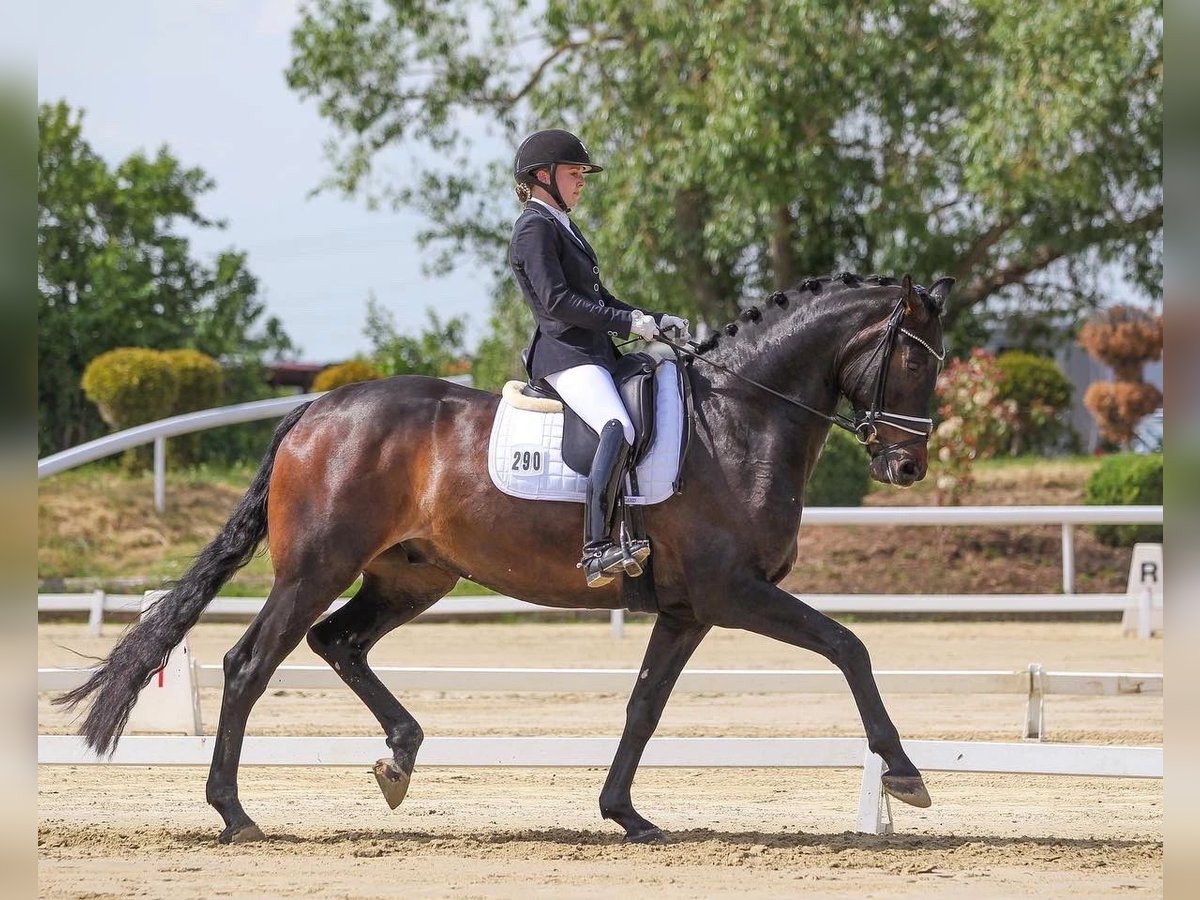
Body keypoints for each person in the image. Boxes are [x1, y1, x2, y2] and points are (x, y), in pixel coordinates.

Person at [507, 129, 689, 588]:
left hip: (593, 351)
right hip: (565, 355)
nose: (582, 181)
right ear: (543, 176)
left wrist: (650, 317)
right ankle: (595, 548)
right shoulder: (534, 227)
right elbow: (557, 301)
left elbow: (598, 295)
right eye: (574, 173)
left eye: (582, 174)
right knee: (618, 425)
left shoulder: (563, 225)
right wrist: (627, 325)